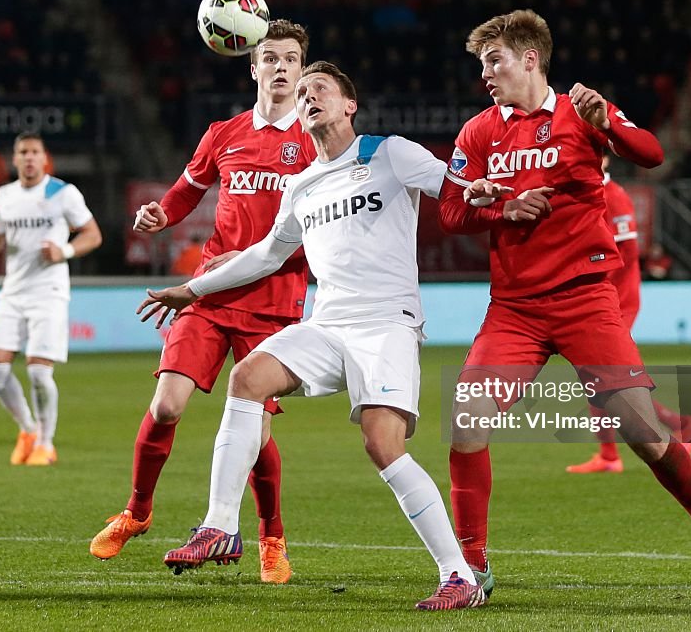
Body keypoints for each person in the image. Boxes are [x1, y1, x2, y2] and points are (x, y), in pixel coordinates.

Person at [139, 61, 499, 611]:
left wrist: (478, 191)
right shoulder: (302, 185)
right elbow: (266, 255)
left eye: (319, 89)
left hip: (386, 323)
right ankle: (220, 526)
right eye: (302, 92)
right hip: (327, 324)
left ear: (348, 104)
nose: (307, 97)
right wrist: (193, 291)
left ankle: (459, 575)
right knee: (247, 378)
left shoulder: (389, 152)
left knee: (383, 446)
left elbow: (451, 185)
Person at [438, 10, 691, 600]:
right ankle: (472, 568)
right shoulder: (478, 133)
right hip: (513, 309)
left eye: (494, 60)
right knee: (466, 423)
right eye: (482, 64)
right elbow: (451, 214)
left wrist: (607, 118)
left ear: (530, 58)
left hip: (586, 300)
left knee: (645, 435)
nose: (486, 74)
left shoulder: (580, 114)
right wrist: (498, 208)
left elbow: (652, 153)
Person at [89, 21, 315, 586]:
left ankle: (271, 538)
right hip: (211, 291)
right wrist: (162, 213)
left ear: (302, 71)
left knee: (258, 432)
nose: (281, 68)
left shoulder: (317, 144)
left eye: (291, 59)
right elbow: (190, 186)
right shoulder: (224, 133)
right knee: (166, 404)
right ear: (253, 67)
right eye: (271, 58)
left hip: (275, 300)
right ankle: (137, 512)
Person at [565, 155, 691, 473]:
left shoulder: (614, 197)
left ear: (605, 159)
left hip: (616, 301)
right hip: (596, 301)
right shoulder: (582, 194)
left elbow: (625, 256)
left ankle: (621, 451)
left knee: (604, 379)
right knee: (601, 380)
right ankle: (673, 427)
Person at [0, 131, 102, 466]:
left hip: (48, 292)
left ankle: (46, 445)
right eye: (23, 152)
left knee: (38, 372)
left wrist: (63, 250)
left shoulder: (63, 193)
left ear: (44, 158)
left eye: (35, 152)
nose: (29, 157)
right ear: (15, 159)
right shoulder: (4, 196)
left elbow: (93, 235)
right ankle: (28, 429)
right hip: (13, 291)